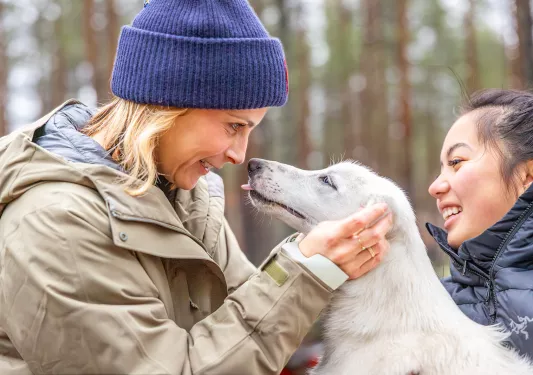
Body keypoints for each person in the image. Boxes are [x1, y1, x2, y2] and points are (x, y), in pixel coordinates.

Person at [0, 1, 393, 374]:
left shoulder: (187, 198)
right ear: (166, 102)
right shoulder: (57, 224)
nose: (240, 155)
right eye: (233, 126)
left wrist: (312, 260)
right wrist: (304, 272)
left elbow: (250, 332)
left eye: (250, 130)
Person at [427, 88, 533, 358]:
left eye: (456, 162)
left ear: (527, 175)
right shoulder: (425, 309)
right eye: (441, 168)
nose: (435, 187)